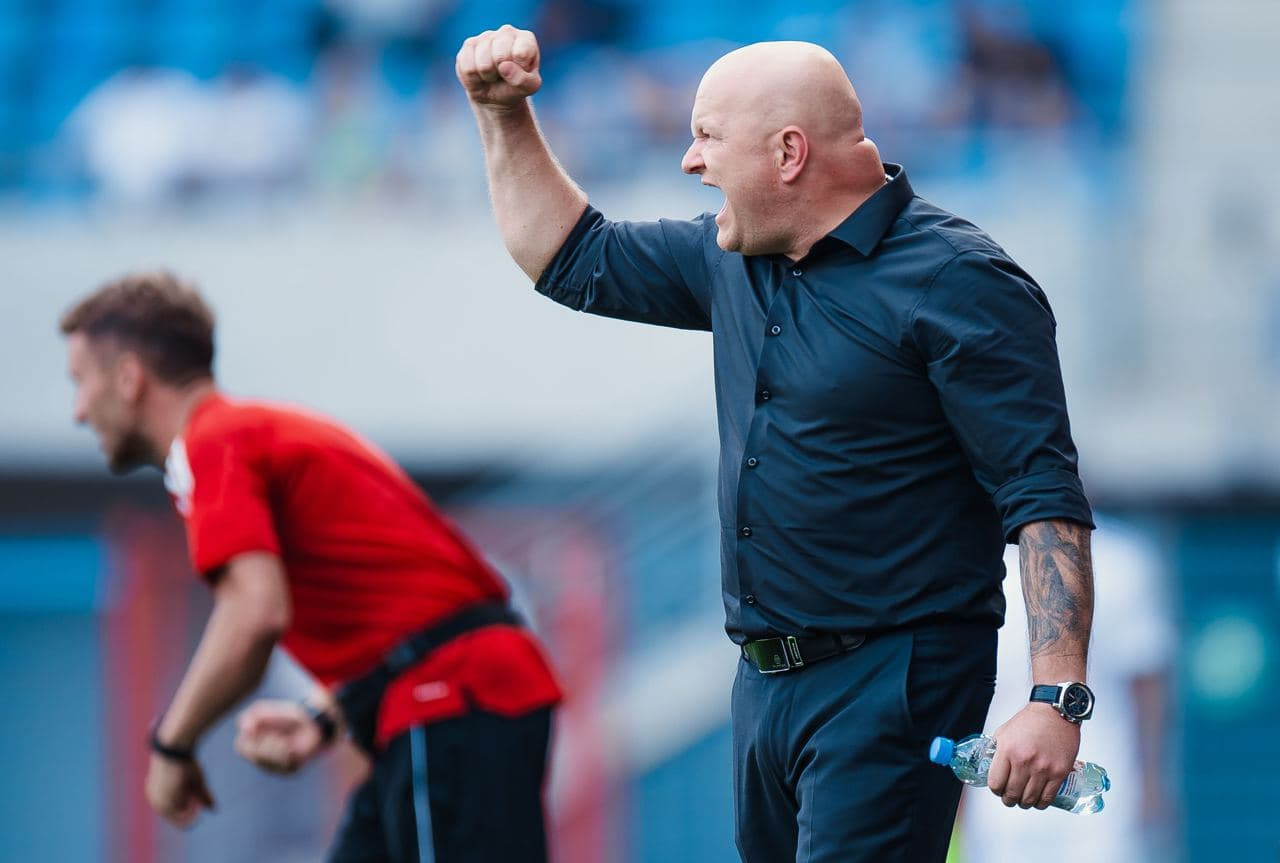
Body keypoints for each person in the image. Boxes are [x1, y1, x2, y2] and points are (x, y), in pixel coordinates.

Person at [456, 26, 1096, 863]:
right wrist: (502, 114)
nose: (690, 160)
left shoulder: (960, 280)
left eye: (708, 137)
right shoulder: (735, 255)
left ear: (788, 153)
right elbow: (568, 256)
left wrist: (1055, 695)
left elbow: (1042, 495)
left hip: (893, 675)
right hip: (763, 681)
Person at [60, 272, 562, 863]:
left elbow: (254, 614)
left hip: (450, 700)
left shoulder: (214, 442)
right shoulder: (254, 433)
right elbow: (419, 611)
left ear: (129, 379)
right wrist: (322, 717)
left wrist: (173, 746)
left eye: (81, 382)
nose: (78, 412)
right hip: (440, 701)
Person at [960, 516, 1175, 862]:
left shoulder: (1124, 559)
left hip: (1097, 785)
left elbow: (1146, 680)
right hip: (998, 785)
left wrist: (1152, 776)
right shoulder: (978, 556)